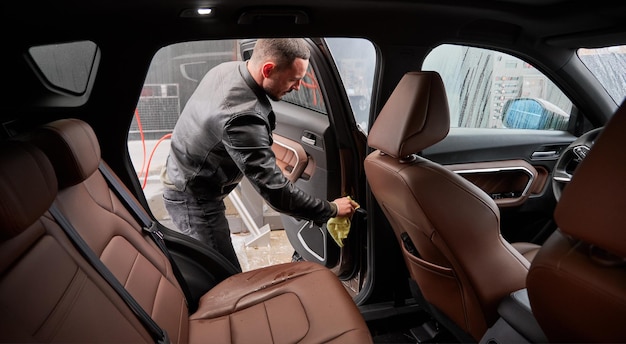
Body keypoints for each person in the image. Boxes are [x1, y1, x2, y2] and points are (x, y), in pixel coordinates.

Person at [161, 38, 358, 271]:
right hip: (192, 197)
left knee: (216, 262)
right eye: (294, 79)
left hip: (185, 172)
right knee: (221, 277)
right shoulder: (241, 116)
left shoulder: (227, 70)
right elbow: (277, 194)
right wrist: (332, 209)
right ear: (268, 69)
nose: (297, 87)